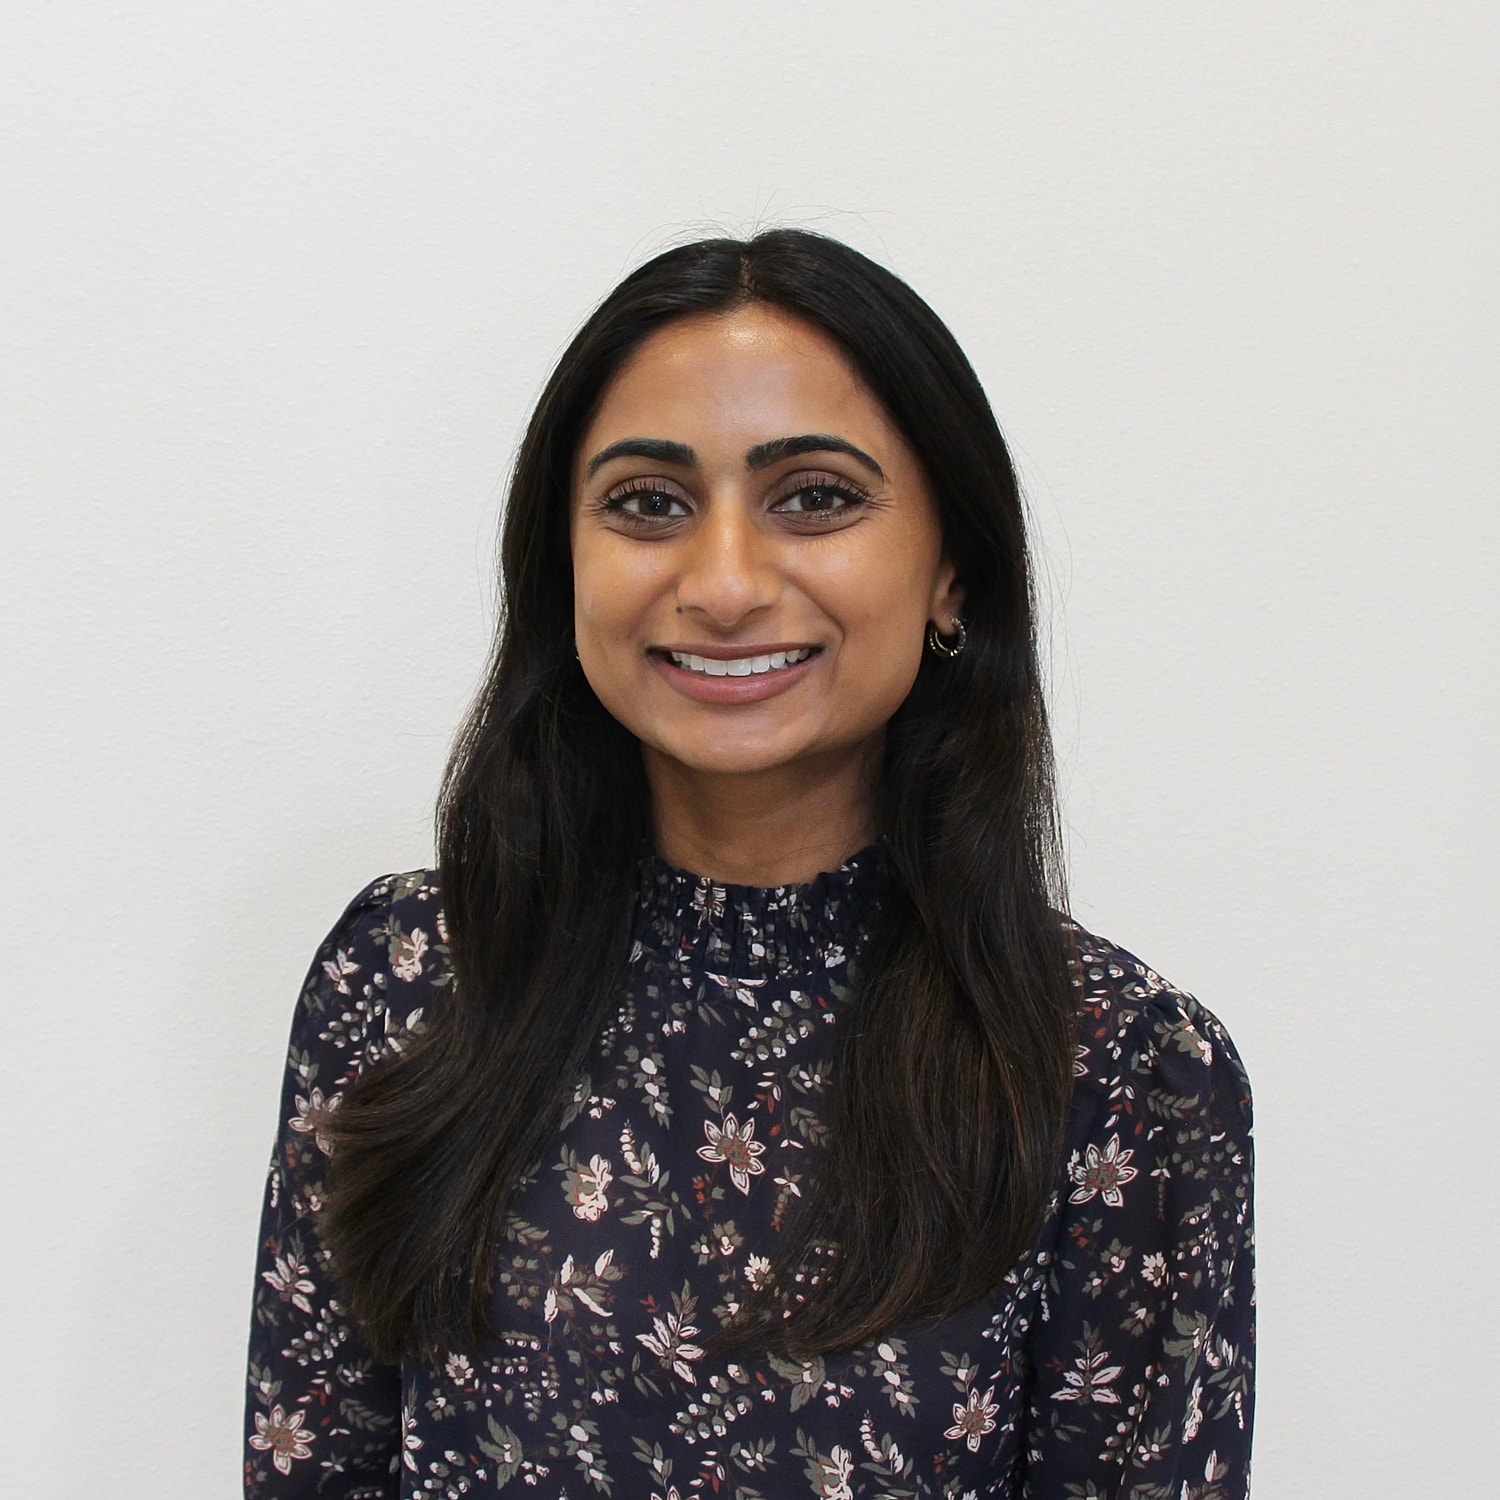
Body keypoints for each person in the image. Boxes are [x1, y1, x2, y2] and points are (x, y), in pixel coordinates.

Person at [245, 230, 1254, 1499]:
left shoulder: (1122, 1069)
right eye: (647, 503)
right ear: (565, 565)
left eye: (817, 497)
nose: (723, 585)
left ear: (951, 571)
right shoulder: (406, 985)